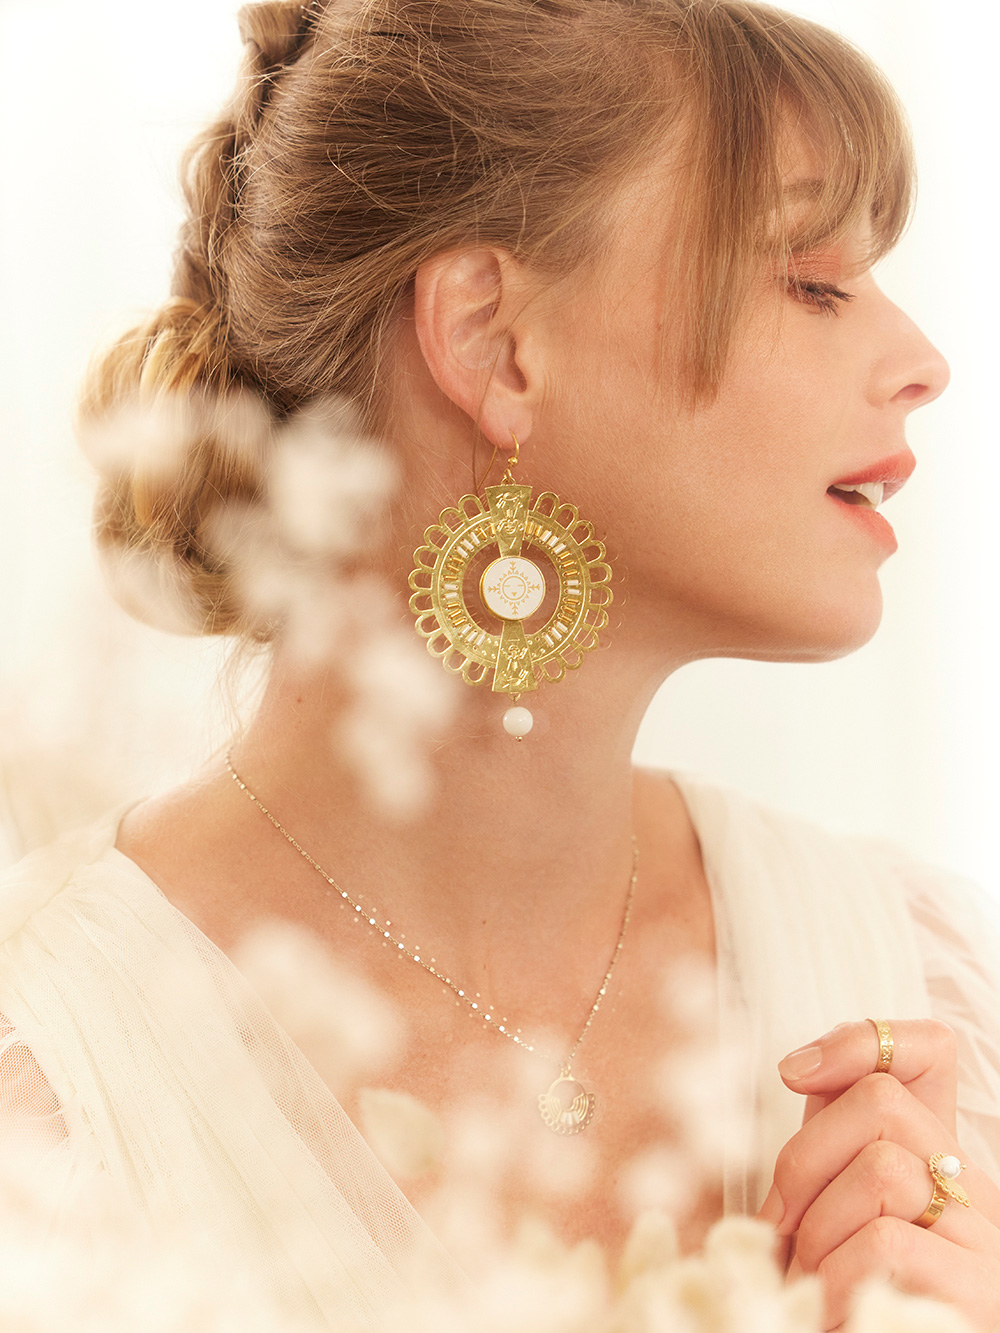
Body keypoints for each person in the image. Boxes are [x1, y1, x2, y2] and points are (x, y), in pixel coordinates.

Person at [2, 0, 1000, 1327]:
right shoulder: (49, 1087)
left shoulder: (921, 990)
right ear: (492, 340)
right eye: (813, 281)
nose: (924, 362)